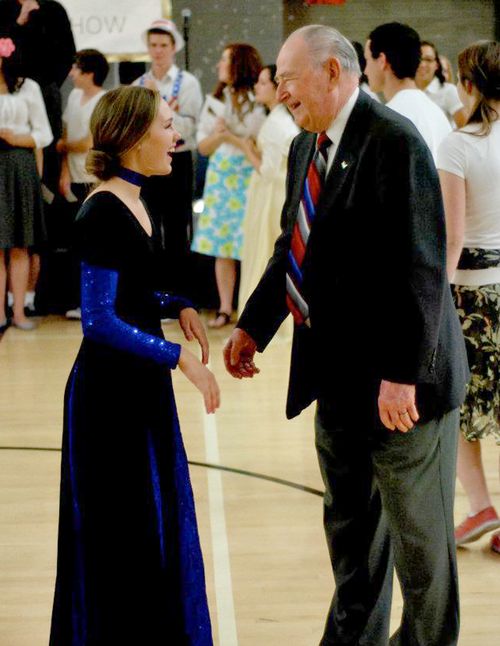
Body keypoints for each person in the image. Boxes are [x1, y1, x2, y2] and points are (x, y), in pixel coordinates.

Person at [224, 24, 469, 645]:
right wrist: (254, 326)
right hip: (336, 382)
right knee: (352, 541)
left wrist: (400, 375)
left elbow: (421, 267)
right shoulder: (305, 147)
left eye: (287, 79)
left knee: (420, 554)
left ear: (333, 72)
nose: (279, 93)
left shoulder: (395, 140)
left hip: (400, 390)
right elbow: (294, 249)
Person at [49, 85, 219, 644]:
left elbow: (135, 295)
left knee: (150, 526)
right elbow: (98, 320)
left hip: (138, 388)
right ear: (132, 138)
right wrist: (180, 360)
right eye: (168, 127)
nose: (177, 137)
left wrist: (181, 305)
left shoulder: (138, 200)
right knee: (121, 534)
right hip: (108, 398)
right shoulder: (102, 210)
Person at [437, 40, 500, 555]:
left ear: (470, 84)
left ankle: (481, 505)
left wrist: (432, 298)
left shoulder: (458, 145)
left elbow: (452, 239)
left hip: (473, 299)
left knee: (461, 404)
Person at [191, 43, 265, 328]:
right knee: (223, 245)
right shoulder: (214, 100)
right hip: (221, 176)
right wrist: (221, 135)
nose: (219, 65)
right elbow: (203, 146)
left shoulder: (258, 99)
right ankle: (224, 307)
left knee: (250, 241)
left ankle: (250, 305)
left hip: (249, 174)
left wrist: (229, 135)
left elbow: (256, 142)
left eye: (225, 60)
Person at [133, 18, 203, 297]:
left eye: (163, 45)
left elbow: (190, 127)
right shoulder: (138, 83)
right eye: (153, 45)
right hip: (147, 164)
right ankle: (152, 293)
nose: (158, 51)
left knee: (177, 229)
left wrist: (162, 117)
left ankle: (180, 296)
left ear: (174, 47)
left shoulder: (188, 83)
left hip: (178, 161)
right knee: (148, 227)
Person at [237, 64, 298, 342]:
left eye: (264, 83)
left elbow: (270, 170)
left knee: (266, 249)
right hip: (270, 191)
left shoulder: (277, 124)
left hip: (273, 193)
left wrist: (247, 149)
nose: (258, 87)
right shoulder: (277, 119)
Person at [0, 36, 52, 332]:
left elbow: (43, 133)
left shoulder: (27, 87)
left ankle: (19, 311)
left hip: (19, 163)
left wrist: (17, 138)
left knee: (20, 243)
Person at [56, 48, 109, 320]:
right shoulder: (74, 97)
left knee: (97, 246)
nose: (72, 73)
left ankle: (100, 303)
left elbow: (91, 141)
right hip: (74, 179)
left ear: (89, 73)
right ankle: (79, 301)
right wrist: (64, 170)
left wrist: (64, 146)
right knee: (76, 245)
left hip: (94, 180)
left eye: (77, 68)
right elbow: (66, 135)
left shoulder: (102, 100)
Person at [364, 22, 451, 162]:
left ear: (382, 61)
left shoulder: (387, 120)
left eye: (367, 60)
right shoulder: (437, 114)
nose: (365, 70)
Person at [416, 40, 467, 128]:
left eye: (428, 60)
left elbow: (465, 127)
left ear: (436, 65)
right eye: (418, 59)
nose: (422, 64)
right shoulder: (407, 92)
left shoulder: (448, 91)